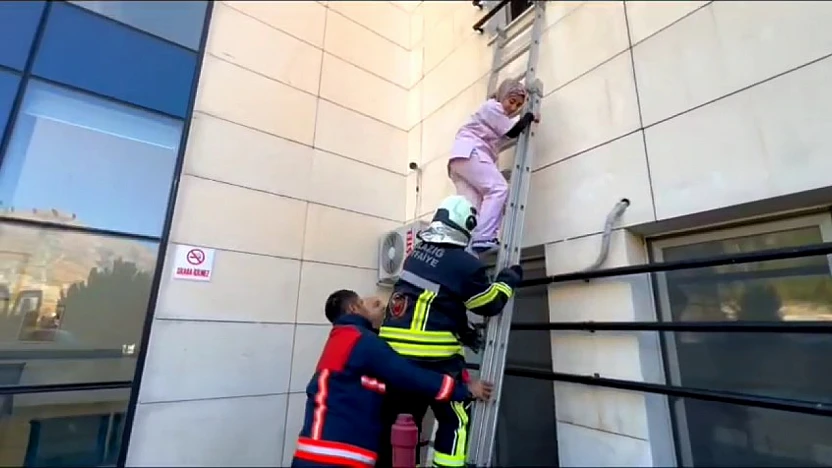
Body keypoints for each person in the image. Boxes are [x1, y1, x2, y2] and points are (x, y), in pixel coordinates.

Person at [376, 195, 524, 468]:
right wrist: (508, 280)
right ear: (467, 225)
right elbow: (488, 304)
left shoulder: (414, 255)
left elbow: (437, 300)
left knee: (399, 426)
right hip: (435, 360)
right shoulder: (465, 264)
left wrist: (463, 329)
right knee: (455, 419)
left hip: (394, 361)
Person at [290, 289, 493, 468]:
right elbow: (411, 376)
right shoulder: (363, 342)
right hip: (337, 457)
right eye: (374, 304)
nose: (383, 308)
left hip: (313, 451)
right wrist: (463, 390)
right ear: (354, 308)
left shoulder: (341, 340)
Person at [448, 78, 539, 254]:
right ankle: (483, 238)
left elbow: (505, 134)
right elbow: (513, 131)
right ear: (502, 96)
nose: (513, 108)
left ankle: (465, 246)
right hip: (470, 153)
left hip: (459, 160)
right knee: (498, 188)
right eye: (511, 101)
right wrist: (530, 115)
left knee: (472, 207)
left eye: (518, 105)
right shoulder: (493, 107)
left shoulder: (493, 115)